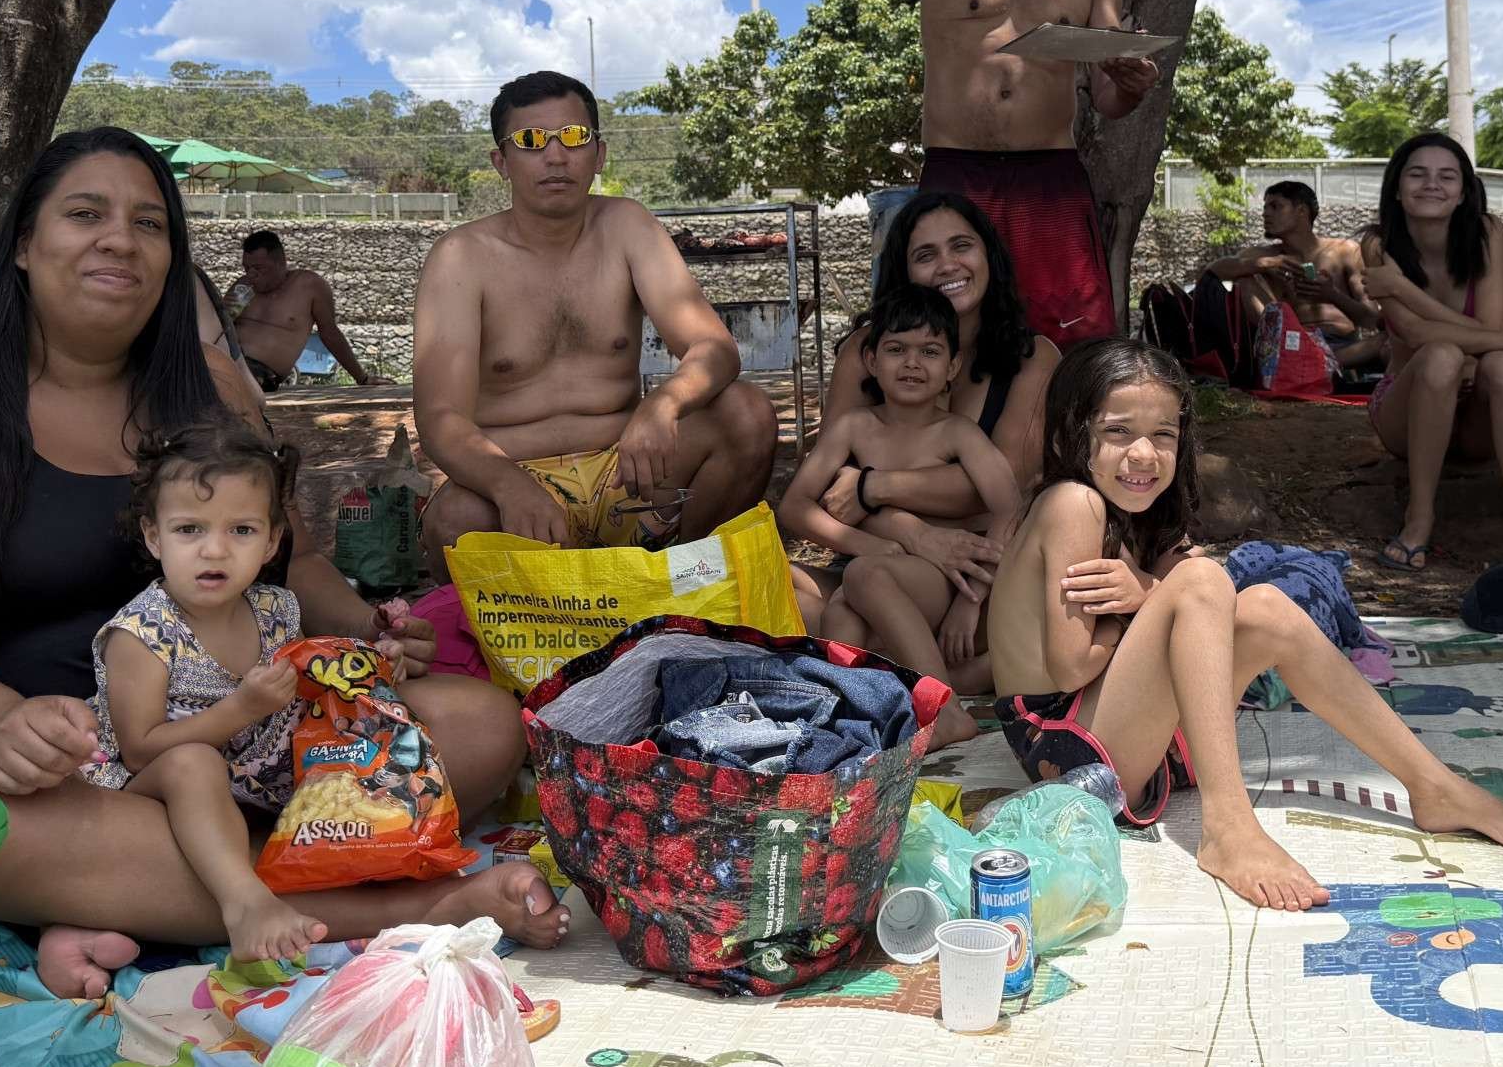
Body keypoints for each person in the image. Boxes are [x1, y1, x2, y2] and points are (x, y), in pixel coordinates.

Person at [0, 126, 537, 999]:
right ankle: (407, 900)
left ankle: (128, 893)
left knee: (479, 724)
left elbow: (297, 562)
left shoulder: (212, 382)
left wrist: (365, 634)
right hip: (57, 769)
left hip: (257, 732)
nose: (118, 238)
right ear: (23, 243)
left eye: (150, 224)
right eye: (85, 213)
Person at [982, 338, 1503, 910]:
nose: (1143, 454)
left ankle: (1433, 786)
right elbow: (1070, 664)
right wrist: (1138, 606)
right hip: (1065, 750)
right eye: (1117, 432)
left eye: (1163, 434)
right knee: (1203, 580)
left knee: (1267, 609)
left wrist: (1147, 593)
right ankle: (1228, 825)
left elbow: (1194, 617)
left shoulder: (1138, 512)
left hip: (1117, 734)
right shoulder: (1071, 503)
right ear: (1070, 435)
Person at [82, 418, 558, 965]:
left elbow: (316, 693)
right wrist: (242, 709)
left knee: (367, 741)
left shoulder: (275, 609)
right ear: (153, 536)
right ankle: (244, 902)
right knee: (194, 764)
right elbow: (142, 748)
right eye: (190, 530)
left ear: (272, 541)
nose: (214, 551)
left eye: (240, 531)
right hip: (164, 788)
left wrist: (374, 668)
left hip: (263, 782)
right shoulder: (141, 634)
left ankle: (371, 863)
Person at [415, 72, 777, 560]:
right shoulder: (460, 257)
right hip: (517, 479)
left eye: (575, 137)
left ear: (599, 154)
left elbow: (714, 349)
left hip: (630, 477)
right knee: (455, 521)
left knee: (746, 414)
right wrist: (508, 484)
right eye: (530, 140)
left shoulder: (628, 225)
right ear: (501, 161)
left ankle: (681, 581)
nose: (556, 156)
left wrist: (662, 404)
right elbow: (440, 418)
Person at [915, 0, 1160, 347]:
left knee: (1069, 342)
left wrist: (1129, 86)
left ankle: (1058, 434)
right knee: (939, 337)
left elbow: (1105, 95)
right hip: (959, 172)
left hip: (1049, 174)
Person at [796, 192, 1060, 625]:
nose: (947, 265)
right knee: (756, 591)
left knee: (845, 619)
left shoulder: (1033, 358)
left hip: (978, 570)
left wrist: (869, 488)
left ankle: (929, 673)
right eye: (925, 255)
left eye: (961, 246)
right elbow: (825, 495)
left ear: (988, 254)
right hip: (877, 555)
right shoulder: (865, 350)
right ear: (903, 272)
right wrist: (912, 532)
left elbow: (1006, 487)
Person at [785, 285, 1021, 709]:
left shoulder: (958, 434)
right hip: (879, 578)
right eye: (897, 349)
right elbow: (795, 506)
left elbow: (1008, 507)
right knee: (836, 607)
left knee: (862, 579)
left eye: (930, 352)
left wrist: (971, 603)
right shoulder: (854, 427)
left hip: (944, 585)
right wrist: (871, 545)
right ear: (872, 361)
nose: (913, 363)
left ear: (953, 366)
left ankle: (944, 712)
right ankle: (874, 710)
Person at [1358, 133, 1503, 571]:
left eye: (1446, 176)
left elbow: (1491, 331)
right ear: (1397, 189)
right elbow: (1416, 332)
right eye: (1417, 174)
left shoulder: (1487, 233)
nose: (1431, 185)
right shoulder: (1378, 245)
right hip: (1407, 407)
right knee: (1442, 355)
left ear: (1463, 192)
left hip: (1477, 419)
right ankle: (1419, 520)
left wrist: (1400, 287)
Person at [1202, 179, 1387, 386]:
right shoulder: (1265, 256)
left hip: (1343, 348)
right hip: (1292, 345)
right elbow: (1213, 271)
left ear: (1301, 211)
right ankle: (1302, 362)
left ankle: (1317, 365)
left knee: (1388, 341)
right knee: (1244, 279)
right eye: (1265, 207)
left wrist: (1331, 295)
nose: (1265, 213)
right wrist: (1267, 263)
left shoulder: (1345, 251)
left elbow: (1370, 319)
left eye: (1275, 206)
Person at [224, 230, 368, 390]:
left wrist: (362, 378)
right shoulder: (242, 286)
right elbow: (214, 330)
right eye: (247, 268)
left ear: (281, 263)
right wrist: (223, 313)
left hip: (260, 373)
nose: (252, 274)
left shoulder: (308, 286)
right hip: (224, 361)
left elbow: (330, 333)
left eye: (259, 268)